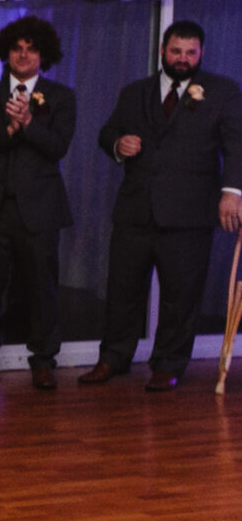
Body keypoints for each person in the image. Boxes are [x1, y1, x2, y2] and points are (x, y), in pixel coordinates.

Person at [81, 20, 242, 390]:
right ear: (162, 51)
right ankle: (112, 359)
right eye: (176, 51)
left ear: (200, 53)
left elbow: (237, 144)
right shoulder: (135, 92)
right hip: (136, 211)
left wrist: (232, 192)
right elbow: (107, 132)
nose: (183, 59)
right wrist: (119, 144)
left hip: (189, 214)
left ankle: (168, 365)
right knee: (122, 291)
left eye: (191, 52)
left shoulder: (222, 92)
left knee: (181, 296)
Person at [0, 17, 76, 389]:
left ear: (43, 55)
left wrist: (28, 122)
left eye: (31, 49)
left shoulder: (60, 96)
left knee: (42, 288)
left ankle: (43, 359)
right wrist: (9, 130)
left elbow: (57, 146)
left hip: (39, 208)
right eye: (17, 48)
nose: (23, 55)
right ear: (5, 54)